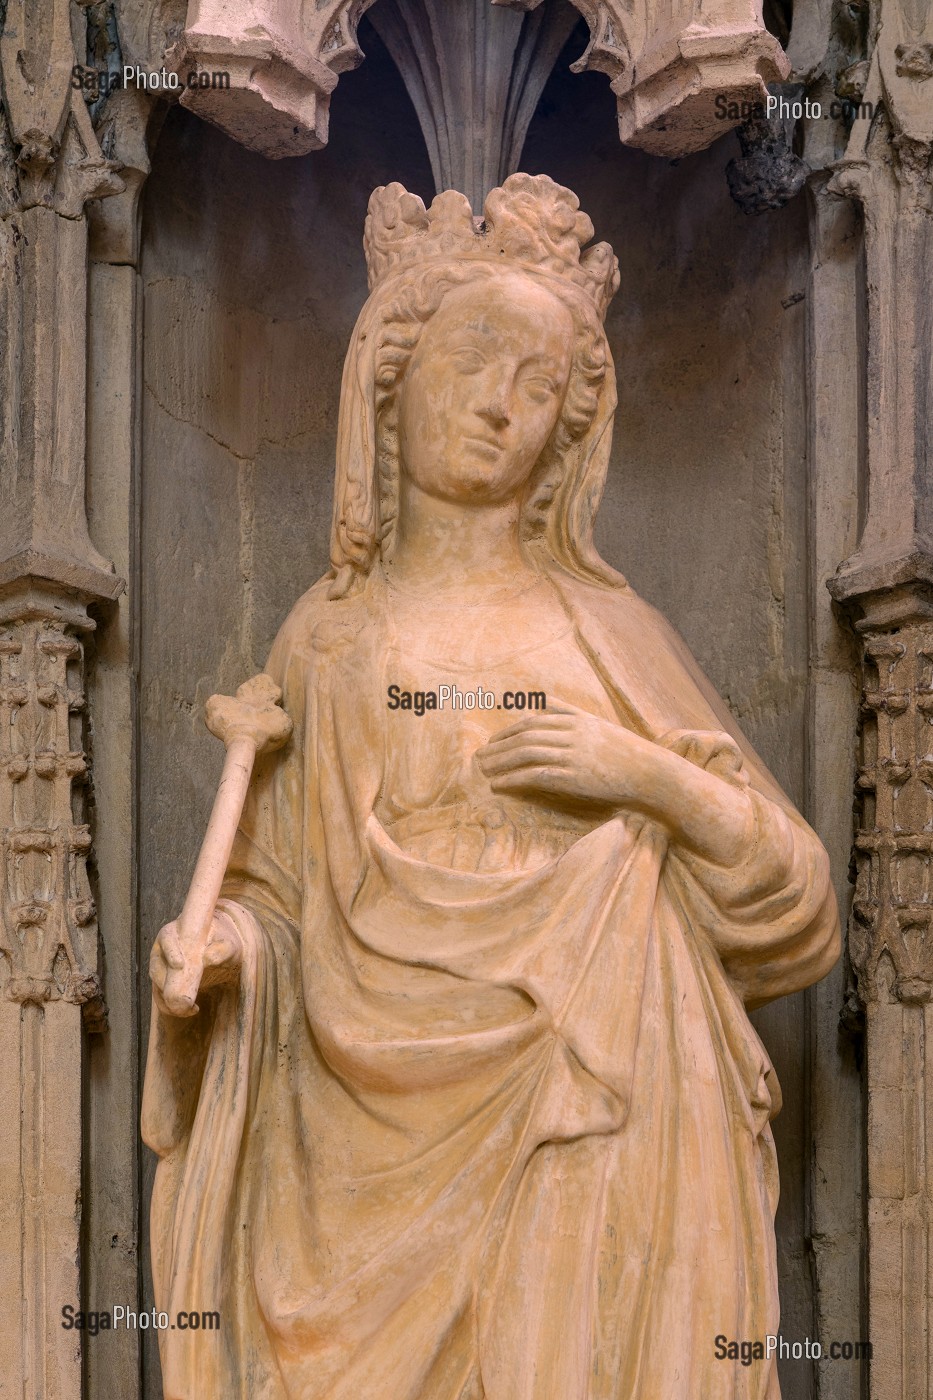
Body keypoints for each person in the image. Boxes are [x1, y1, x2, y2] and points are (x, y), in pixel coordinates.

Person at [144, 174, 840, 1399]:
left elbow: (798, 910)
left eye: (541, 387)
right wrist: (229, 957)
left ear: (572, 430)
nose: (500, 407)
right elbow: (290, 902)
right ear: (390, 380)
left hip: (600, 1113)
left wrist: (646, 776)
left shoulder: (605, 628)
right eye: (473, 359)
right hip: (358, 1152)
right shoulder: (330, 639)